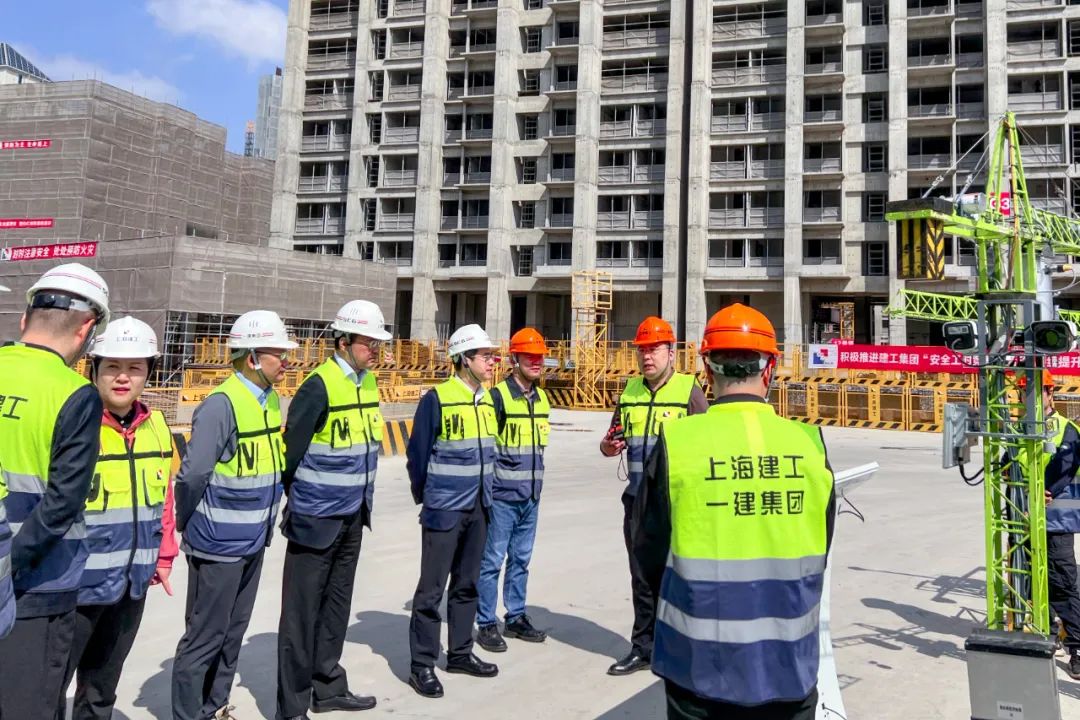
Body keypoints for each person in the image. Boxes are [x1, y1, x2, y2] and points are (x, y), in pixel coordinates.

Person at [634, 303, 835, 720]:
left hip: (699, 669)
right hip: (789, 665)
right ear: (770, 368)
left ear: (707, 370)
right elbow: (823, 541)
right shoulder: (810, 444)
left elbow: (648, 551)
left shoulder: (677, 442)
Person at [172, 310, 296, 720]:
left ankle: (215, 706)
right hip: (217, 545)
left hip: (252, 541)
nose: (287, 361)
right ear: (253, 358)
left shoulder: (269, 402)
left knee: (232, 634)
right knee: (205, 637)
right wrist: (190, 525)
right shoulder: (221, 406)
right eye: (278, 353)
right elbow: (192, 476)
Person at [0, 263, 110, 719]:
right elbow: (62, 504)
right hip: (35, 589)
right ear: (87, 328)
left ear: (25, 317)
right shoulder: (75, 394)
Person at [276, 301, 392, 719]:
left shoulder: (368, 383)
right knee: (301, 614)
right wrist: (304, 501)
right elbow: (291, 453)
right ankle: (291, 707)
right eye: (368, 342)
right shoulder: (318, 385)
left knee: (336, 607)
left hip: (353, 515)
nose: (375, 350)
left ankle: (327, 687)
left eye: (378, 343)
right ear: (343, 342)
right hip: (315, 518)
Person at [59, 316, 178, 720]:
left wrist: (163, 556)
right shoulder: (75, 424)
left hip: (130, 585)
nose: (123, 377)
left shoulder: (157, 426)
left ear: (149, 372)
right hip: (75, 586)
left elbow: (164, 498)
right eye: (112, 366)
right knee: (49, 687)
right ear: (94, 369)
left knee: (101, 688)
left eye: (135, 367)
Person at [598, 316, 708, 676]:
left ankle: (682, 648)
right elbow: (610, 440)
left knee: (681, 578)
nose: (647, 356)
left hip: (677, 505)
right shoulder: (630, 392)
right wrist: (608, 446)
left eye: (654, 349)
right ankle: (643, 647)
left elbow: (706, 446)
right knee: (642, 579)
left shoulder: (689, 391)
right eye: (642, 350)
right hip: (637, 503)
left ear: (671, 352)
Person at [406, 323, 500, 698]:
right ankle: (422, 665)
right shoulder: (437, 399)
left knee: (467, 585)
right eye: (485, 356)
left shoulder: (488, 401)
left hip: (479, 507)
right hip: (444, 510)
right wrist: (430, 497)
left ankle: (460, 652)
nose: (492, 362)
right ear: (463, 359)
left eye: (492, 356)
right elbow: (418, 455)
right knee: (431, 591)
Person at [475, 328, 552, 652]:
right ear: (514, 360)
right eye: (529, 357)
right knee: (492, 560)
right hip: (503, 497)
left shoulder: (543, 399)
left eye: (539, 357)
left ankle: (516, 616)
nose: (536, 362)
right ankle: (485, 622)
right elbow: (486, 449)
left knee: (521, 559)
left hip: (531, 497)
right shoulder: (497, 398)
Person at [1036, 370, 1080, 679]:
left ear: (1050, 393)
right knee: (1030, 581)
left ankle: (1077, 646)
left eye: (1036, 391)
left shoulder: (1067, 429)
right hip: (1025, 517)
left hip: (1058, 519)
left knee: (1063, 582)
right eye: (1022, 392)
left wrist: (1041, 489)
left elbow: (1063, 470)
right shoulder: (1019, 430)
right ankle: (1048, 630)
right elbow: (1008, 467)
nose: (1028, 398)